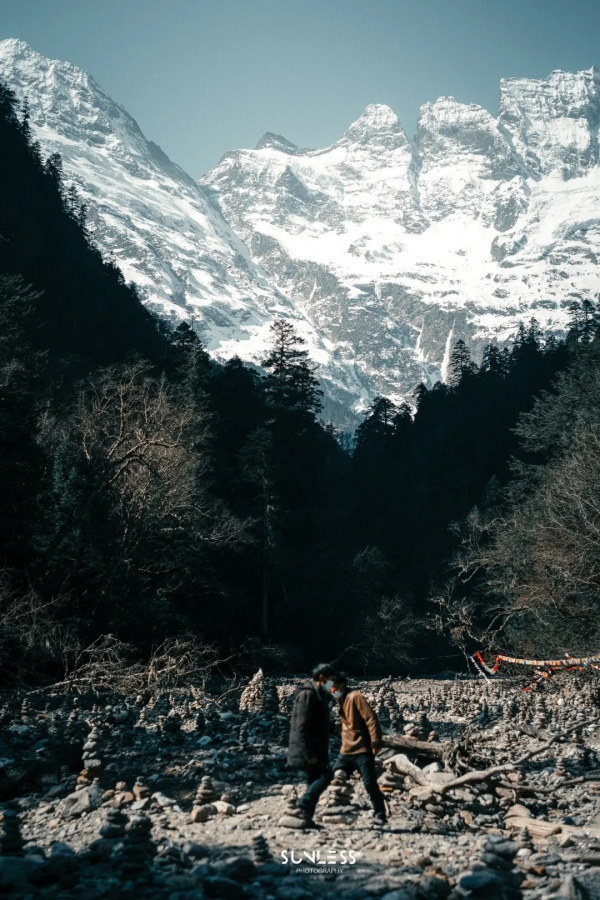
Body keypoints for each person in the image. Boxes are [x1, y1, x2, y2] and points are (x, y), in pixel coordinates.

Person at [330, 672, 387, 826]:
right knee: (335, 777)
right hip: (346, 751)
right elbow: (346, 727)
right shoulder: (341, 701)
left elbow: (371, 719)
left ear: (342, 685)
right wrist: (330, 728)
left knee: (369, 784)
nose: (332, 690)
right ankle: (337, 810)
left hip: (362, 750)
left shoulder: (355, 697)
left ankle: (380, 814)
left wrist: (375, 742)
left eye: (333, 686)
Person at [287, 662, 336, 825]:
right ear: (321, 677)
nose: (332, 682)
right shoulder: (307, 695)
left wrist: (335, 729)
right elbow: (302, 727)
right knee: (326, 775)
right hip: (309, 749)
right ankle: (303, 804)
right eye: (330, 679)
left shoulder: (318, 694)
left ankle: (305, 817)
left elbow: (318, 722)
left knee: (313, 780)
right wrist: (309, 754)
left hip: (316, 748)